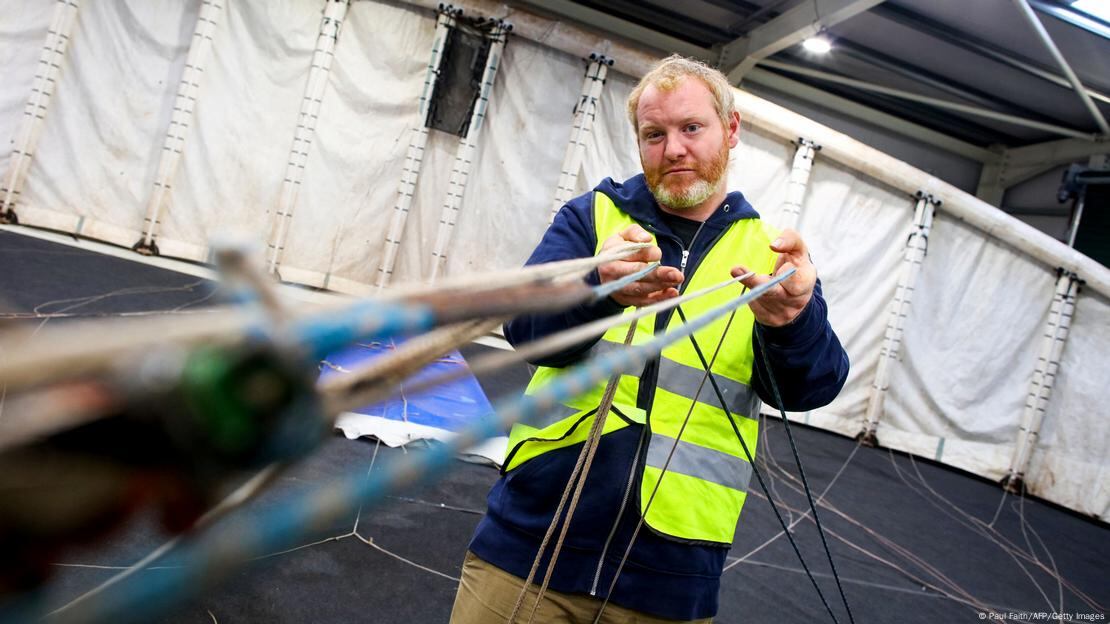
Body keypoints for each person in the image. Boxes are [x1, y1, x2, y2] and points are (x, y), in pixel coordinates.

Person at [450, 55, 849, 623]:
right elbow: (526, 328)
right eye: (654, 134)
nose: (674, 149)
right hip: (532, 542)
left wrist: (793, 323)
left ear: (731, 130)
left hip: (673, 574)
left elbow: (814, 386)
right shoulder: (593, 219)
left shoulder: (772, 253)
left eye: (692, 128)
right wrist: (598, 288)